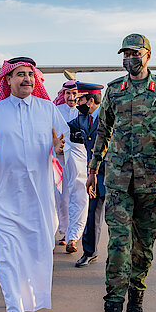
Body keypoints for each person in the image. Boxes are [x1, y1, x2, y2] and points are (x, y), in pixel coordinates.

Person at [87, 34, 156, 312]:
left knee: (143, 247)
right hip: (118, 179)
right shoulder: (114, 89)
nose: (129, 58)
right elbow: (102, 131)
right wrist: (93, 168)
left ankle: (136, 305)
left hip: (152, 180)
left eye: (134, 53)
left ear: (147, 55)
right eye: (125, 53)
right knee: (119, 245)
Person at [0, 57, 68, 312]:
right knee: (7, 254)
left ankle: (29, 296)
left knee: (38, 250)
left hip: (39, 200)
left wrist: (59, 149)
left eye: (30, 74)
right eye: (20, 74)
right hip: (5, 197)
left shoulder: (48, 110)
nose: (27, 79)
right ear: (7, 80)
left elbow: (66, 143)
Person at [66, 83, 105, 268]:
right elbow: (65, 127)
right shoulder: (82, 118)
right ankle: (90, 252)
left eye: (80, 99)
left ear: (90, 101)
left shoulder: (108, 116)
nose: (76, 102)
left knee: (118, 217)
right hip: (94, 174)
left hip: (114, 173)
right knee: (92, 213)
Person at [54, 81, 88, 253]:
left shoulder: (84, 112)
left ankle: (74, 236)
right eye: (68, 93)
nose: (71, 97)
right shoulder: (56, 111)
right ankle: (66, 232)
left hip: (79, 157)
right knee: (61, 197)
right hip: (59, 158)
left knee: (79, 194)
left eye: (74, 93)